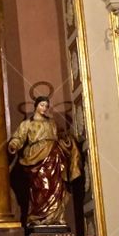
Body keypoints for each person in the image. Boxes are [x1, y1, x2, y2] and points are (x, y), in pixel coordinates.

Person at [8, 96, 83, 226]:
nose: (44, 108)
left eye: (46, 106)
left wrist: (67, 141)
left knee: (57, 187)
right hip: (36, 157)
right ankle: (39, 216)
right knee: (42, 186)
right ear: (36, 106)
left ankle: (55, 217)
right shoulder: (27, 124)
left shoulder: (52, 123)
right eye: (42, 105)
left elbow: (60, 136)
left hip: (54, 157)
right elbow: (19, 137)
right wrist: (13, 145)